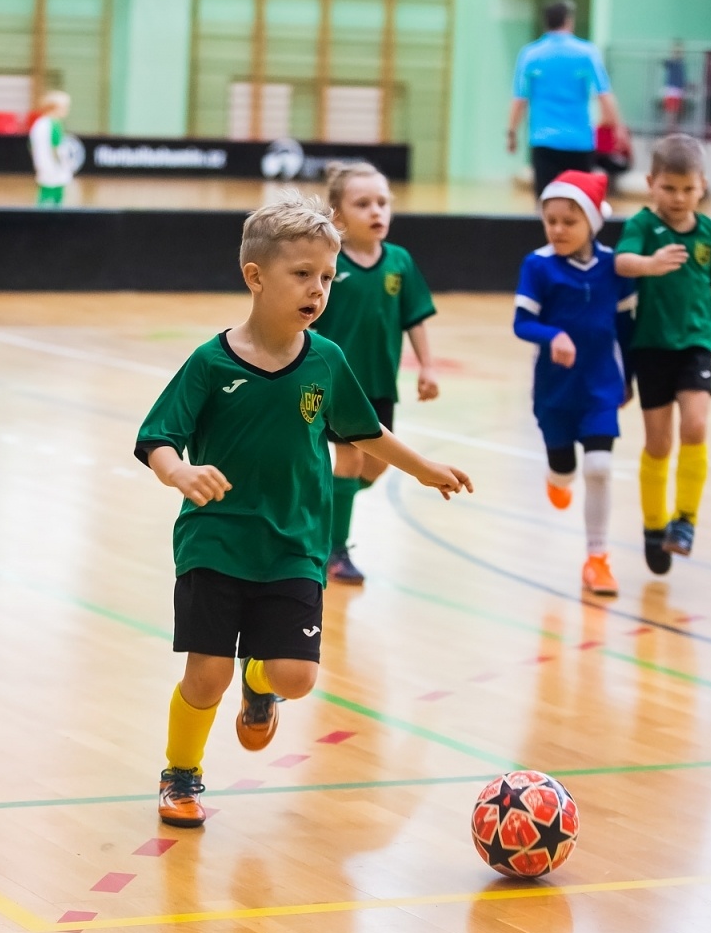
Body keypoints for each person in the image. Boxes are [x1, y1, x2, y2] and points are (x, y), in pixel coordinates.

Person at [134, 193, 471, 828]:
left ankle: (258, 682)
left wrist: (422, 467)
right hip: (215, 538)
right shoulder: (210, 364)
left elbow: (363, 432)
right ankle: (181, 773)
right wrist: (178, 471)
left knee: (295, 676)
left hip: (295, 542)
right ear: (254, 277)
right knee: (205, 675)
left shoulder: (327, 360)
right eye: (302, 275)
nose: (318, 290)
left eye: (326, 278)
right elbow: (156, 438)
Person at [311, 162, 440, 586]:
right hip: (338, 385)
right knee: (349, 457)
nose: (376, 211)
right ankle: (334, 552)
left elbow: (414, 318)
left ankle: (320, 512)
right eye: (362, 203)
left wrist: (427, 365)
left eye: (382, 202)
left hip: (381, 385)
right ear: (338, 213)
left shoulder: (399, 262)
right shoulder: (327, 263)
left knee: (377, 466)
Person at [512, 171, 637, 597]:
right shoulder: (538, 265)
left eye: (570, 220)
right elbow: (523, 323)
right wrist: (554, 336)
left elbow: (625, 326)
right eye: (552, 221)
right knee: (565, 471)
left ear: (592, 222)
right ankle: (557, 476)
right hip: (555, 392)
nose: (559, 229)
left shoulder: (613, 267)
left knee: (600, 468)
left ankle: (597, 559)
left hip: (600, 385)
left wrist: (629, 379)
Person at [614, 134, 711, 573]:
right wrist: (649, 264)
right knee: (658, 442)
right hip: (651, 346)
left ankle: (685, 520)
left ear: (702, 185)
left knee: (697, 426)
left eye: (688, 188)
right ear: (651, 184)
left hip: (696, 344)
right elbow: (622, 262)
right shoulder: (644, 227)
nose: (679, 198)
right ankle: (653, 524)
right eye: (669, 188)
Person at [506, 0, 629, 191]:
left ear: (546, 22)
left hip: (543, 140)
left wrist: (512, 133)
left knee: (545, 204)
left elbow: (520, 99)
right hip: (579, 141)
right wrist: (618, 128)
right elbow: (604, 94)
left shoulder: (530, 54)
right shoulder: (587, 52)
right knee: (581, 202)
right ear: (569, 21)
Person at [28, 90, 73, 207]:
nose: (67, 110)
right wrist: (62, 164)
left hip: (42, 165)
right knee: (56, 195)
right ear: (55, 107)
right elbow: (56, 147)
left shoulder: (38, 123)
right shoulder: (54, 124)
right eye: (65, 107)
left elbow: (31, 145)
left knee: (44, 193)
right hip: (53, 166)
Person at [661, 42, 688, 131]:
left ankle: (673, 128)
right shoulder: (672, 62)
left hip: (678, 90)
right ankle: (669, 129)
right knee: (670, 111)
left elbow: (682, 79)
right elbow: (665, 63)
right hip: (672, 90)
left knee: (676, 111)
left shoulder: (681, 63)